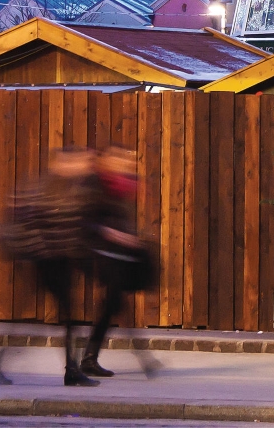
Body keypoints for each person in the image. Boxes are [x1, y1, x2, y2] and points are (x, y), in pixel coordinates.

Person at [0, 146, 100, 387]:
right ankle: (70, 371)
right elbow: (43, 224)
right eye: (78, 162)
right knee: (63, 319)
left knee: (54, 319)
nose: (83, 166)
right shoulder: (51, 188)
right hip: (49, 261)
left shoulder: (66, 187)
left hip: (54, 261)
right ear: (63, 163)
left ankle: (0, 363)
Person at [78, 145, 161, 380]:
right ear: (107, 159)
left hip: (117, 252)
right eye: (122, 158)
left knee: (113, 305)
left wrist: (130, 237)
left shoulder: (118, 184)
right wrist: (116, 235)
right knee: (113, 303)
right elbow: (87, 219)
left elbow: (119, 215)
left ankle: (92, 358)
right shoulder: (95, 182)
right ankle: (133, 356)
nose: (127, 162)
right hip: (101, 253)